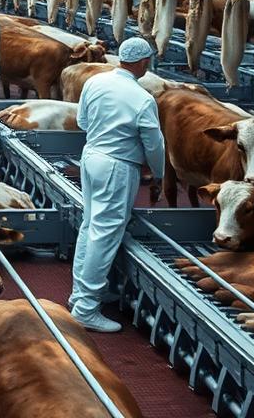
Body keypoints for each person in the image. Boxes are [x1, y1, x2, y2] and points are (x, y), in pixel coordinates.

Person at [69, 37, 165, 333]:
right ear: (144, 62)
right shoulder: (142, 98)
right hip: (118, 166)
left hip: (91, 157)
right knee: (105, 232)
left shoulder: (95, 82)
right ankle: (86, 307)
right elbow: (154, 143)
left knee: (90, 225)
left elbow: (82, 122)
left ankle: (79, 293)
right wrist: (159, 174)